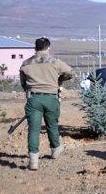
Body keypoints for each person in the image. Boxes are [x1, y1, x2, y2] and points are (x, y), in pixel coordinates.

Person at [19, 37, 73, 170]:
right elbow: (70, 73)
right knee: (52, 125)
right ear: (48, 48)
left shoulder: (26, 63)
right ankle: (55, 150)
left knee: (33, 129)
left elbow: (23, 83)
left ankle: (33, 161)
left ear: (35, 48)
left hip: (34, 99)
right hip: (51, 98)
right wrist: (59, 80)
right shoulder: (54, 61)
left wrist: (31, 90)